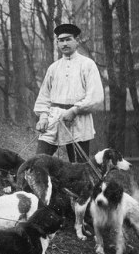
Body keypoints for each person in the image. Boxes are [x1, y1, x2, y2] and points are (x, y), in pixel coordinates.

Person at [34, 22, 105, 162]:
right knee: (38, 162)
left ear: (77, 41)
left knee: (78, 167)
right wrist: (43, 117)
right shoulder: (53, 68)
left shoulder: (87, 65)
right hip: (53, 119)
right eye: (61, 40)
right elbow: (44, 96)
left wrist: (74, 111)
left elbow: (95, 96)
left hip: (78, 121)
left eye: (68, 39)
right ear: (57, 43)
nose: (64, 44)